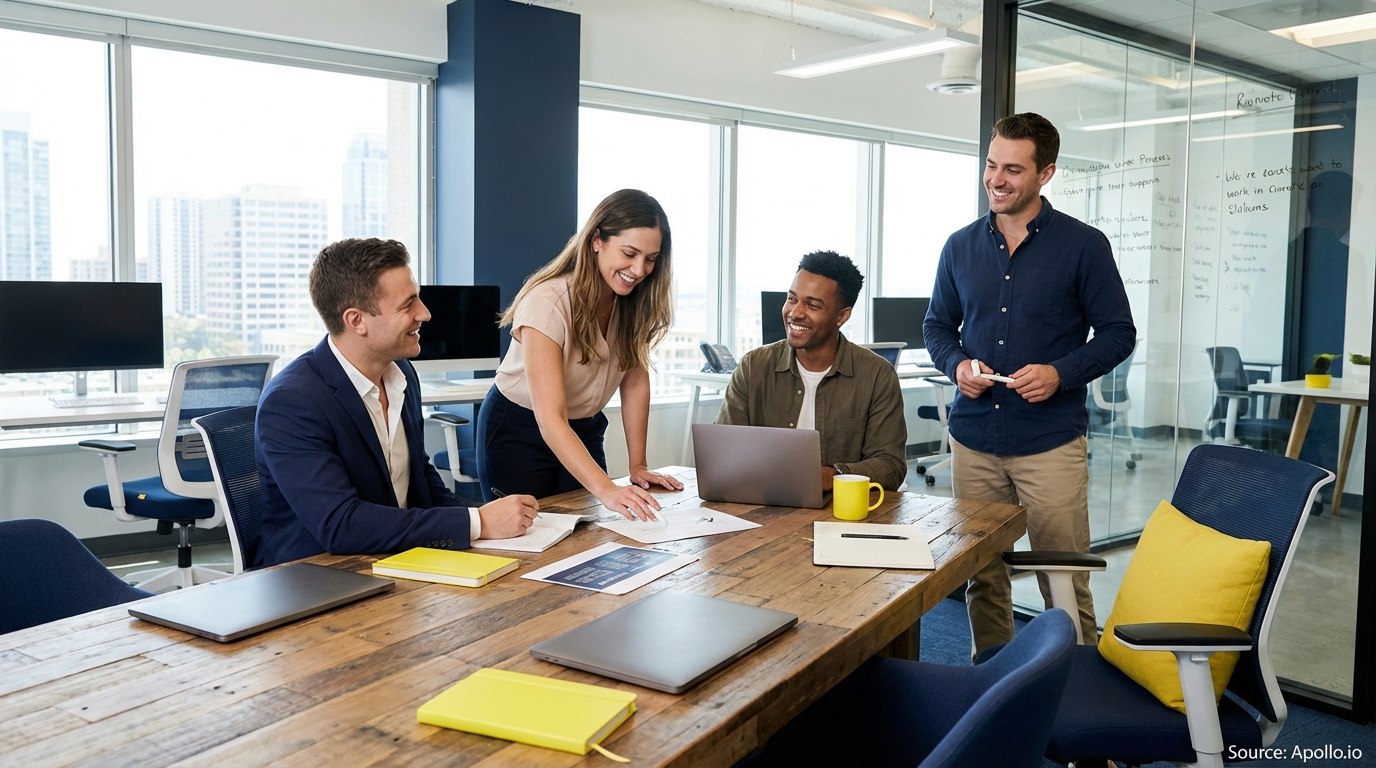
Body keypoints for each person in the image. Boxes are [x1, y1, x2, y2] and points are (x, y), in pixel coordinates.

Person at [924, 112, 1136, 656]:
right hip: (973, 440)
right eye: (992, 165)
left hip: (1050, 442)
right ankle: (990, 685)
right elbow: (937, 327)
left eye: (1013, 169)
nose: (996, 179)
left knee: (1062, 579)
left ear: (1046, 174)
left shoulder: (1084, 246)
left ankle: (1075, 701)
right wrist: (957, 367)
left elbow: (1118, 333)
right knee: (981, 574)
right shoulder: (958, 246)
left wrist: (1060, 373)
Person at [255, 238, 538, 567]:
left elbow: (419, 474)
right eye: (408, 305)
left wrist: (477, 523)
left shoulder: (401, 373)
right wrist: (478, 524)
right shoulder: (292, 402)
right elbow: (340, 525)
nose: (425, 313)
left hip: (395, 559)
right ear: (356, 320)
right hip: (318, 579)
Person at [477, 189, 683, 521]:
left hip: (583, 428)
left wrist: (638, 465)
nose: (640, 269)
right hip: (519, 430)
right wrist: (606, 490)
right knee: (532, 536)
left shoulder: (633, 303)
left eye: (650, 258)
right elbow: (551, 419)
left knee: (587, 533)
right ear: (596, 240)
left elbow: (633, 384)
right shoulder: (548, 301)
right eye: (629, 253)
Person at [715, 250, 907, 492]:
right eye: (792, 299)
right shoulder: (753, 366)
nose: (795, 313)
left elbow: (891, 467)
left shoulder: (877, 375)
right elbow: (723, 450)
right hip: (765, 504)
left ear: (842, 316)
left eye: (812, 305)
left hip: (841, 512)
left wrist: (833, 476)